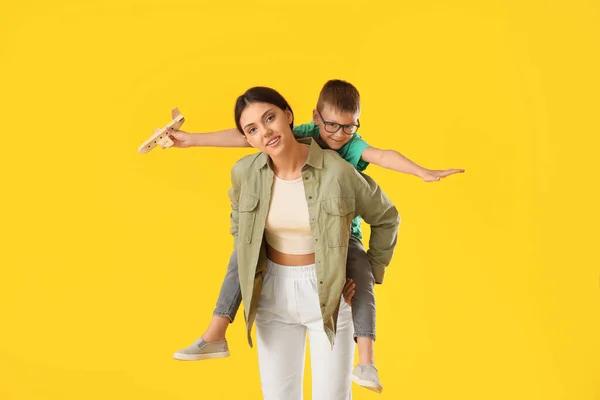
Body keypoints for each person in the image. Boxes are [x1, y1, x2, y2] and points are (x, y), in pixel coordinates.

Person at [172, 80, 461, 393]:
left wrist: (371, 270)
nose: (265, 132)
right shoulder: (245, 172)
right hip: (271, 290)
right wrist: (190, 139)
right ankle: (215, 333)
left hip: (331, 290)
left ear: (289, 115)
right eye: (252, 129)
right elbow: (240, 223)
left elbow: (386, 216)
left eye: (270, 119)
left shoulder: (338, 169)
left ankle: (367, 361)